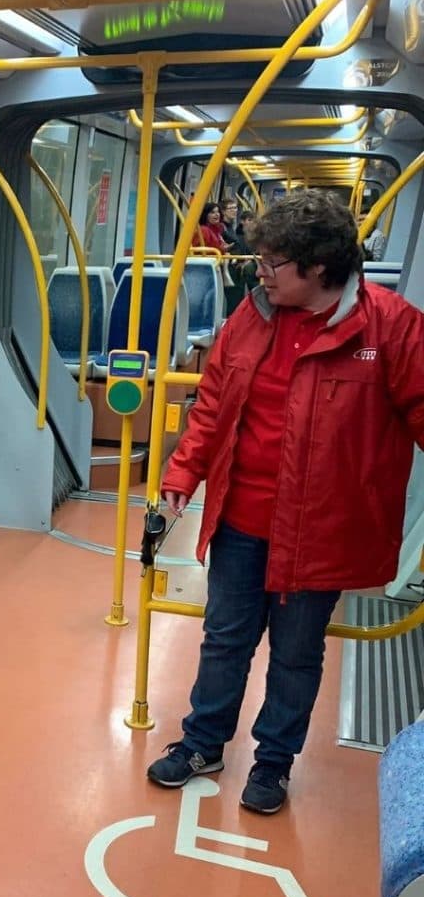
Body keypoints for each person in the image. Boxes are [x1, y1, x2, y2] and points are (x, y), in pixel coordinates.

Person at [147, 189, 424, 814]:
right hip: (241, 518)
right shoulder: (253, 319)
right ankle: (203, 742)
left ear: (318, 267)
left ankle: (272, 763)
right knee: (224, 639)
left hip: (321, 529)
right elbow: (212, 407)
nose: (260, 273)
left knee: (296, 655)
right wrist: (180, 480)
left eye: (273, 263)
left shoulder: (393, 328)